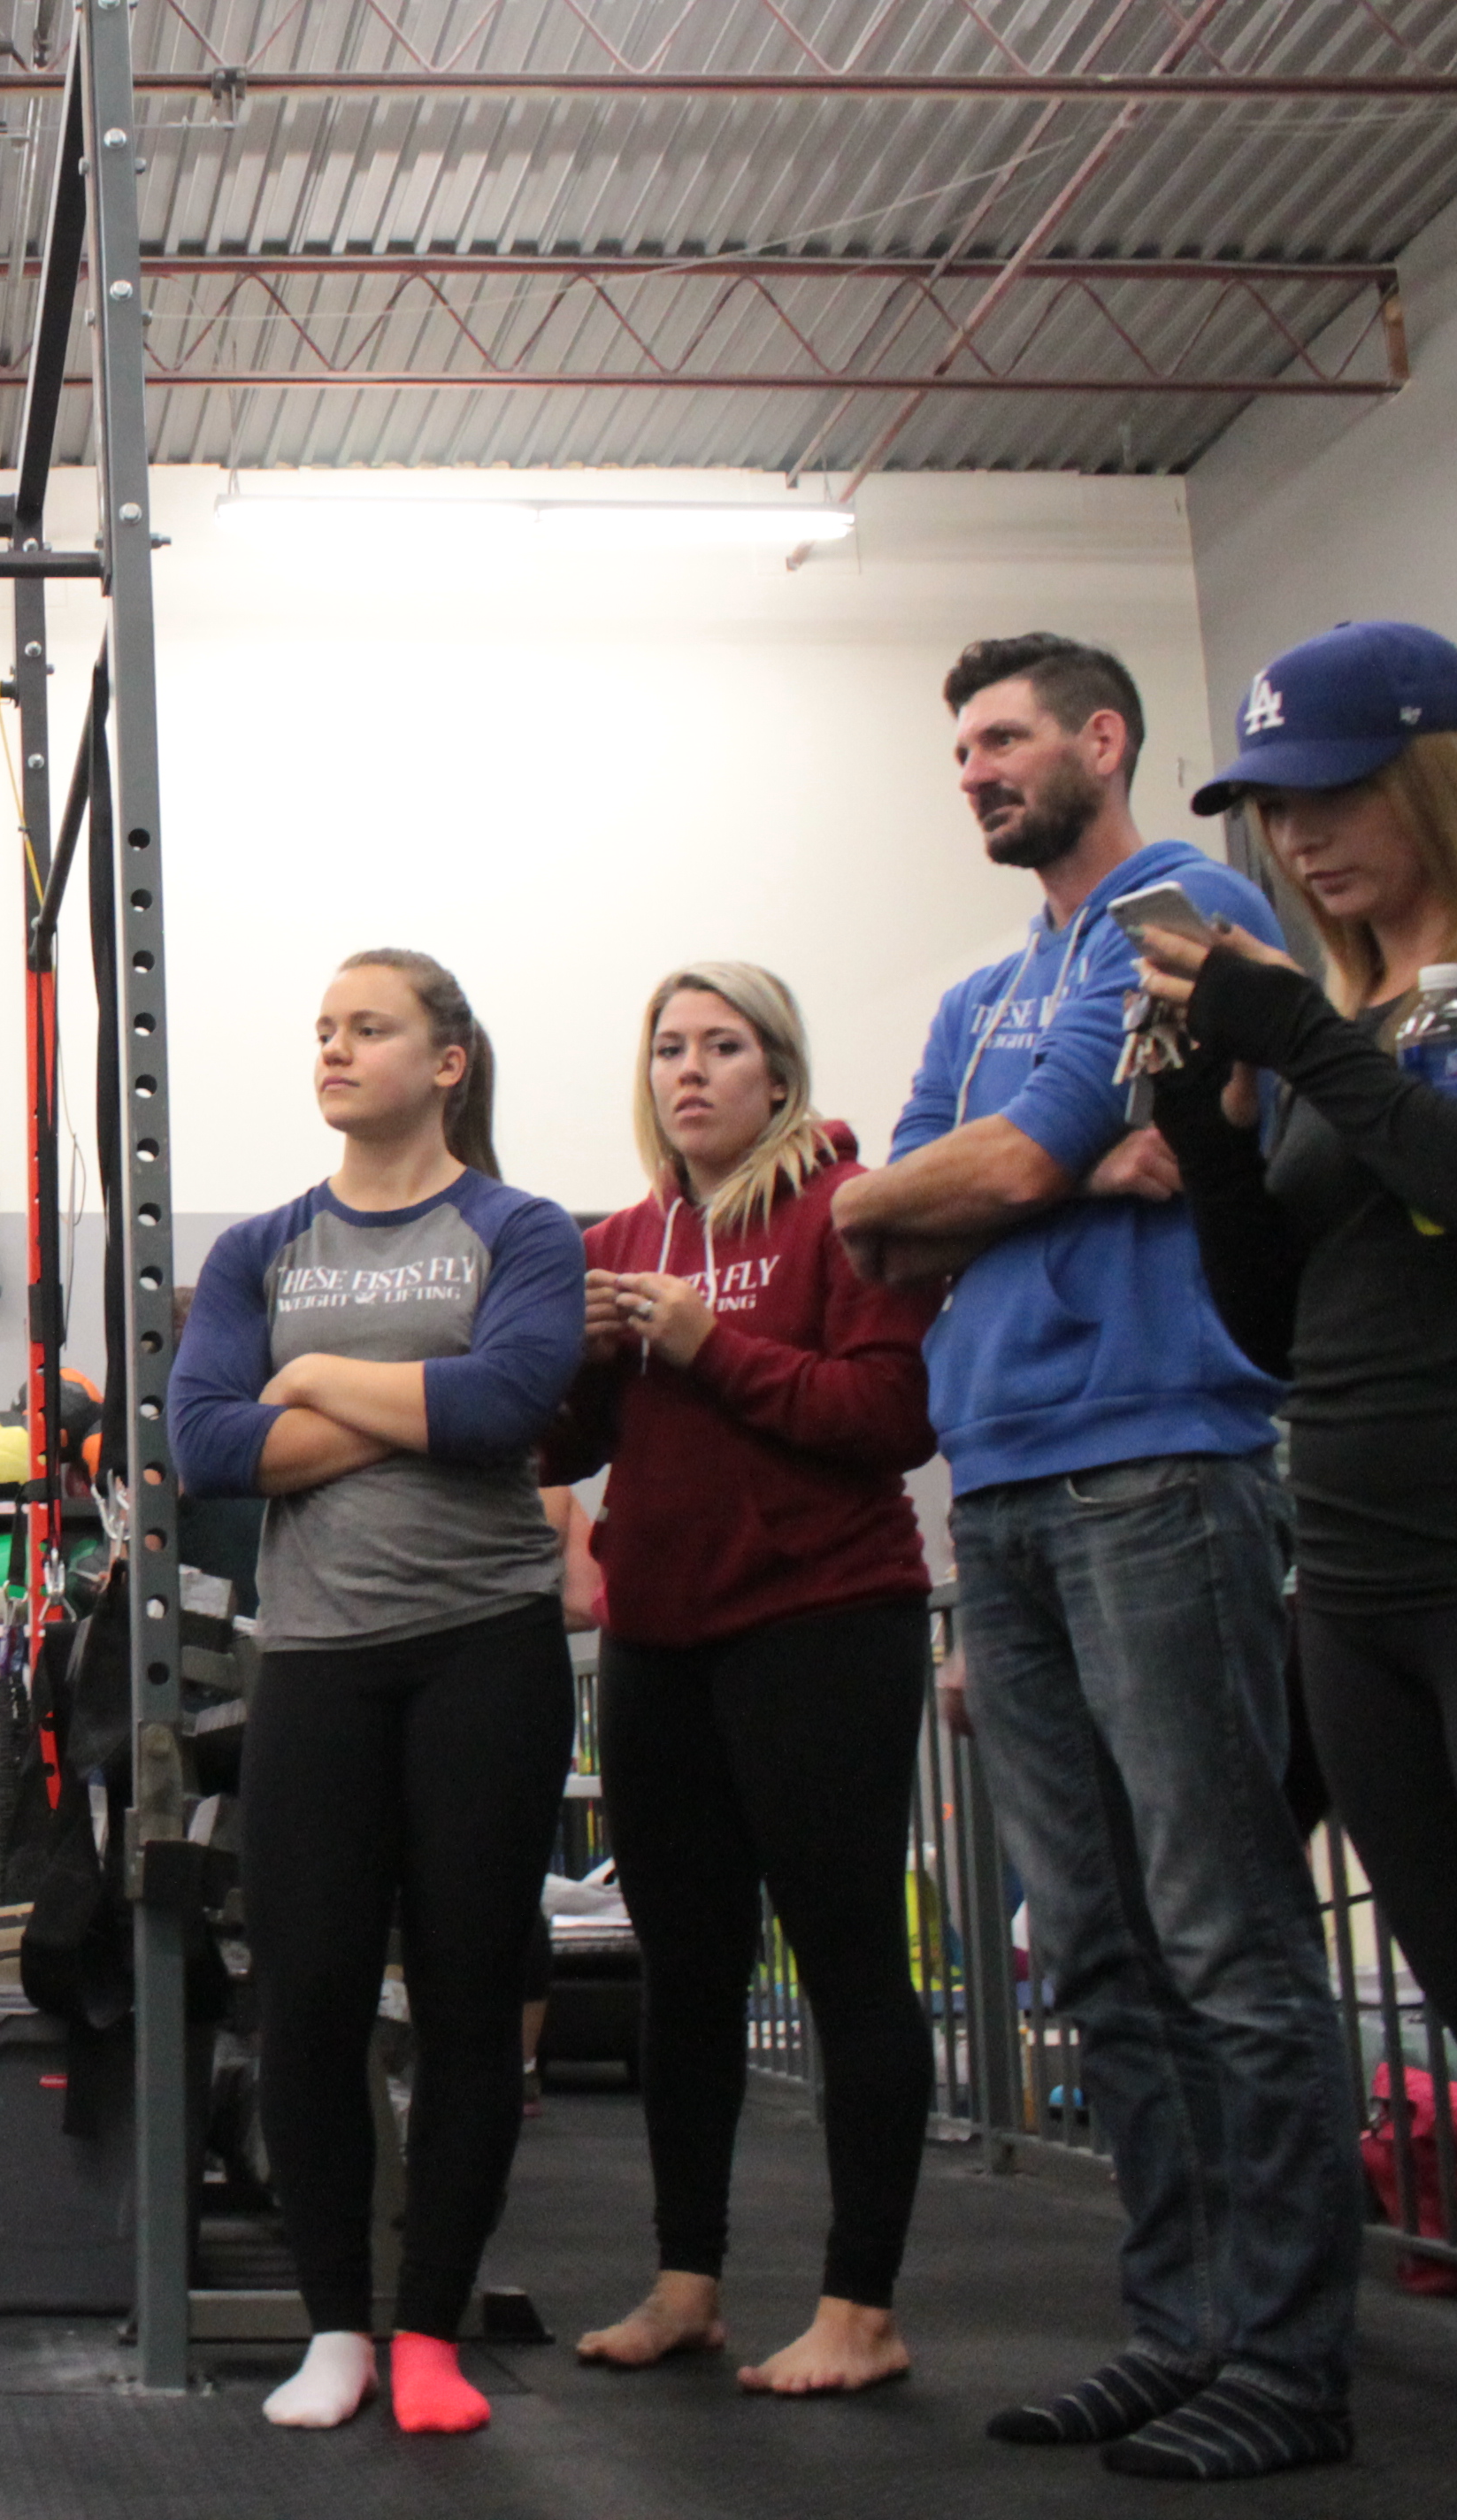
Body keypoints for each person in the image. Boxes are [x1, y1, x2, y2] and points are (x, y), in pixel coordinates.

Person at [828, 634, 1357, 2482]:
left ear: (1102, 738)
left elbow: (1004, 1167)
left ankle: (1286, 2357)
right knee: (1101, 1949)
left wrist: (1015, 1170)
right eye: (959, 748)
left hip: (1159, 1457)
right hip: (999, 1485)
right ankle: (1180, 2327)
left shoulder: (1182, 906)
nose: (974, 770)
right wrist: (983, 1175)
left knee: (1223, 1932)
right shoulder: (984, 991)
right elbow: (877, 1225)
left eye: (1004, 738)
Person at [166, 949, 585, 2438]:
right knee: (309, 1998)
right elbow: (209, 1447)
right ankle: (334, 2324)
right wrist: (415, 1403)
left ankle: (430, 2335)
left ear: (447, 1060)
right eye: (323, 1029)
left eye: (369, 1027)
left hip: (485, 1646)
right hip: (317, 1659)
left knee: (470, 1993)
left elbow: (511, 1402)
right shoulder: (261, 1248)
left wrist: (313, 1380)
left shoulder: (519, 1230)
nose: (334, 1050)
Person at [546, 964, 944, 2396]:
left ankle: (861, 2307)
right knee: (687, 1971)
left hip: (823, 1620)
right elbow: (562, 1453)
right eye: (669, 1047)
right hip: (661, 1637)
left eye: (722, 1046)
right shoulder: (621, 1237)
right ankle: (686, 2284)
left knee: (847, 1959)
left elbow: (889, 1415)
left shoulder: (848, 1211)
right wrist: (579, 1362)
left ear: (777, 1071)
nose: (690, 1071)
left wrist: (711, 1348)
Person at [1141, 620, 1457, 2158]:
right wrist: (1210, 1140)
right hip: (1351, 1580)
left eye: (1333, 794)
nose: (1296, 838)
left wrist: (1303, 1040)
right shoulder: (1353, 1027)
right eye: (1274, 809)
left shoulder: (1369, 1035)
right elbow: (1280, 1328)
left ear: (1437, 778)